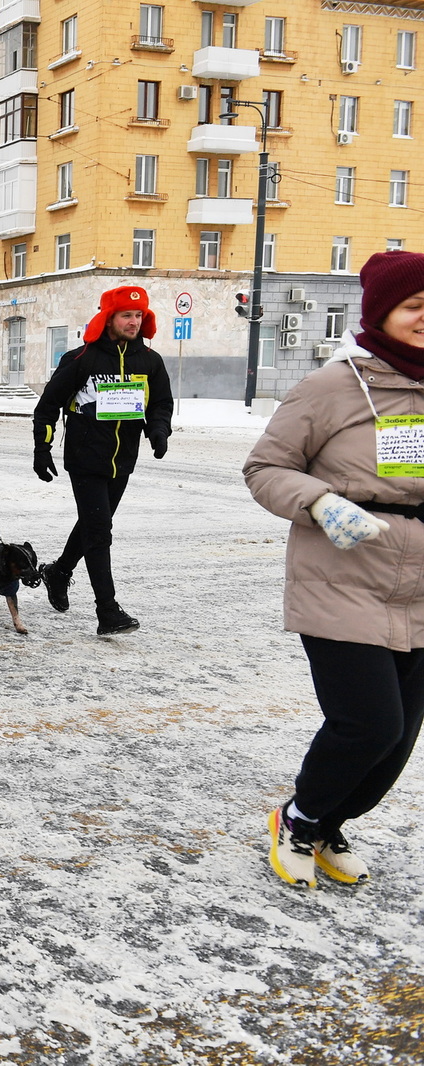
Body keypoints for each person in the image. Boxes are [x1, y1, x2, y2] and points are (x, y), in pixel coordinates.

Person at [244, 250, 424, 889]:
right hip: (342, 576)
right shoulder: (332, 386)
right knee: (369, 722)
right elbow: (264, 468)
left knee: (397, 743)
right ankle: (298, 820)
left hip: (419, 587)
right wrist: (319, 501)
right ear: (381, 313)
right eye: (414, 306)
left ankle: (328, 820)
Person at [32, 284, 174, 635]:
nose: (133, 322)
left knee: (94, 525)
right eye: (126, 315)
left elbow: (161, 403)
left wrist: (159, 430)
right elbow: (48, 405)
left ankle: (59, 571)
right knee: (99, 532)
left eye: (139, 315)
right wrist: (42, 447)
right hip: (85, 458)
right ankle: (107, 611)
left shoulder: (150, 361)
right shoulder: (83, 359)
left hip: (122, 460)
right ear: (108, 318)